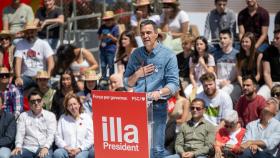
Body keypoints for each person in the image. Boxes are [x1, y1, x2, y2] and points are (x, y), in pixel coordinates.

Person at [124, 19, 179, 158]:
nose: (145, 36)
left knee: (156, 149)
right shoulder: (136, 54)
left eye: (149, 32)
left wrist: (159, 92)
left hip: (157, 106)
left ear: (156, 34)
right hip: (136, 106)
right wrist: (137, 74)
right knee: (136, 147)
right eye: (142, 33)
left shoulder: (168, 55)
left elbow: (174, 84)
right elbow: (126, 83)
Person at [11, 91, 57, 158]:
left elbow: (51, 134)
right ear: (29, 103)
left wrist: (46, 147)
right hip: (28, 147)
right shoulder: (23, 116)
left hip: (44, 146)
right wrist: (18, 146)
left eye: (38, 100)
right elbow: (20, 133)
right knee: (15, 156)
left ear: (42, 101)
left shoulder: (50, 116)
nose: (36, 103)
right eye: (33, 101)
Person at [14, 23, 55, 91]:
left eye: (32, 32)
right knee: (16, 89)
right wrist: (18, 77)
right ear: (24, 33)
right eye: (27, 33)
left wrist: (48, 76)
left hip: (42, 76)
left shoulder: (43, 43)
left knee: (49, 92)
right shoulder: (20, 43)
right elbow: (18, 61)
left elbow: (51, 61)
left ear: (36, 32)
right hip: (26, 76)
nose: (30, 35)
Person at [53, 93, 94, 158]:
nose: (73, 107)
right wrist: (66, 148)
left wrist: (79, 149)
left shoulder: (86, 117)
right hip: (67, 150)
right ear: (67, 107)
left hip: (82, 150)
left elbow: (90, 138)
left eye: (75, 104)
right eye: (70, 105)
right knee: (57, 153)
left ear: (79, 104)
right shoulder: (63, 118)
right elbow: (57, 137)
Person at [214, 29, 240, 103]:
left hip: (232, 83)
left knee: (222, 94)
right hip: (218, 82)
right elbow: (214, 71)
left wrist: (229, 81)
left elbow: (238, 72)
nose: (222, 40)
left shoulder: (237, 54)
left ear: (231, 39)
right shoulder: (216, 54)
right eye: (221, 38)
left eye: (225, 38)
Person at [165, 81, 190, 155]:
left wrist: (172, 122)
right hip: (168, 129)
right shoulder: (168, 100)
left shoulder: (185, 101)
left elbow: (183, 120)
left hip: (178, 130)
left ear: (179, 88)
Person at [258, 29, 280, 99]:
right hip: (271, 83)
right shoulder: (268, 51)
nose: (274, 40)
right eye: (274, 38)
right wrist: (273, 89)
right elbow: (266, 73)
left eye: (277, 38)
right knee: (260, 97)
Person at [98, 11, 119, 80]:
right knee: (103, 65)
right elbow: (98, 38)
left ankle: (111, 78)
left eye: (110, 19)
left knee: (110, 65)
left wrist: (110, 36)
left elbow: (116, 40)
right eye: (106, 20)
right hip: (102, 49)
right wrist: (102, 37)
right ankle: (104, 78)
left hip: (111, 49)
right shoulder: (102, 27)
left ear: (113, 20)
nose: (108, 21)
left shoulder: (115, 27)